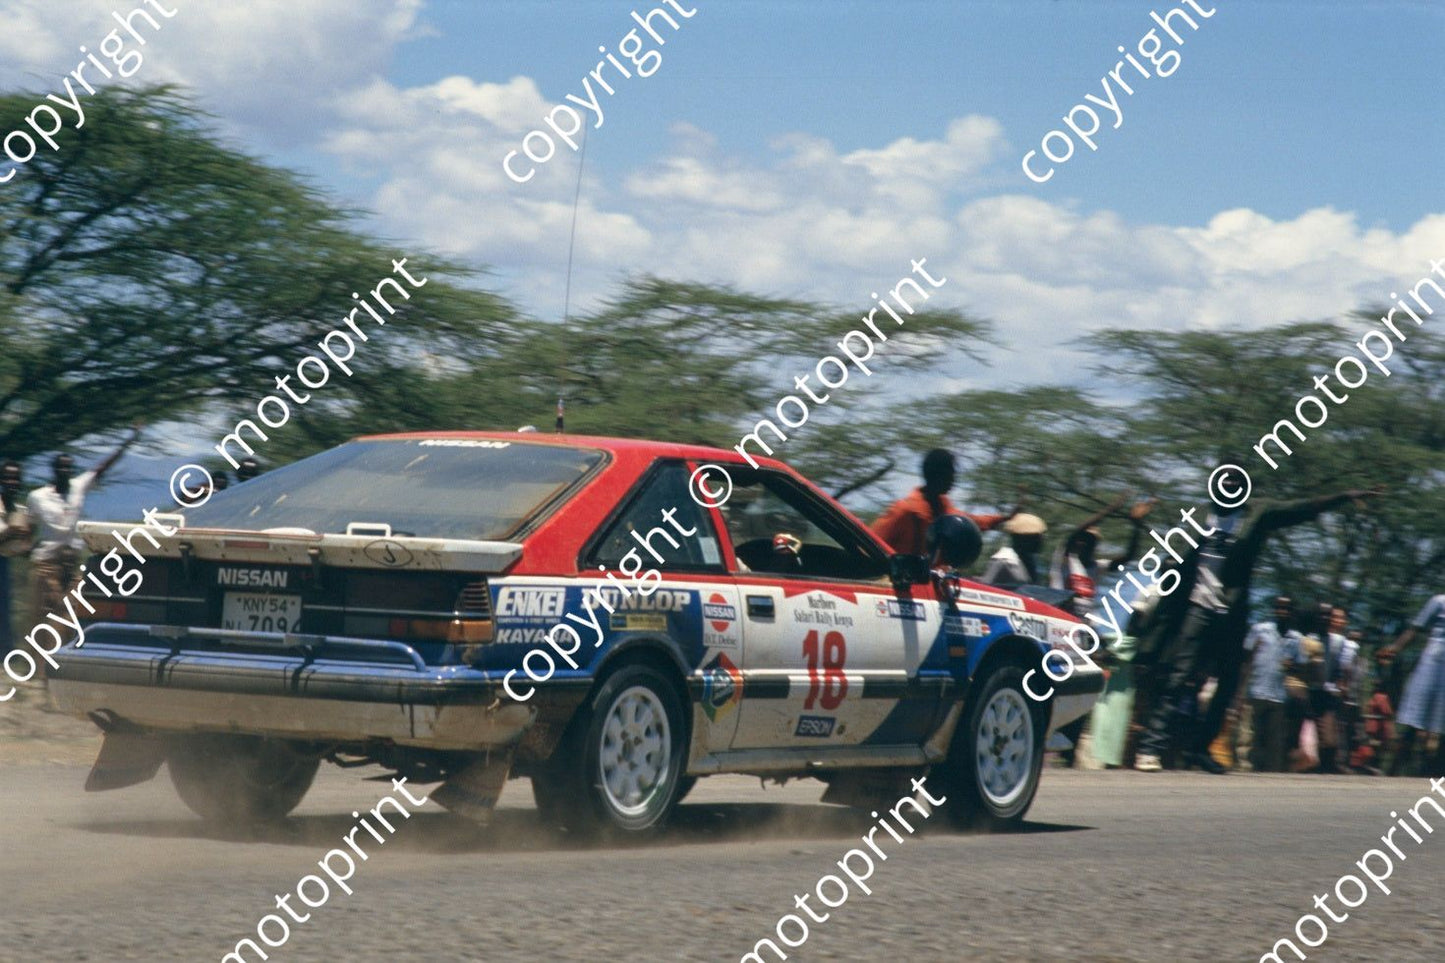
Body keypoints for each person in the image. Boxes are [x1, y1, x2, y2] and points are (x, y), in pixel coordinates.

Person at [1134, 477, 1381, 775]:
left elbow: (1300, 508)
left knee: (1227, 684)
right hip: (1197, 610)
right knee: (1178, 677)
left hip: (1231, 613)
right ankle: (1150, 748)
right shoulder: (1200, 515)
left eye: (1237, 482)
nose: (1230, 488)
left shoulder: (1257, 513)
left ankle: (1199, 749)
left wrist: (1344, 494)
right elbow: (1176, 557)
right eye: (1225, 481)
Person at [27, 431, 138, 630]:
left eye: (68, 467)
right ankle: (38, 659)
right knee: (44, 617)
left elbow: (101, 468)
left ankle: (62, 657)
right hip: (47, 565)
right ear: (53, 470)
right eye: (61, 467)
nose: (65, 470)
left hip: (71, 563)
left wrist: (127, 443)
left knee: (70, 614)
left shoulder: (77, 487)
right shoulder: (37, 497)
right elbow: (29, 528)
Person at [872, 449, 1021, 556]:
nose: (953, 479)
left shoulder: (944, 507)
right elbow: (871, 543)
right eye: (950, 474)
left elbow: (971, 522)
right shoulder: (904, 510)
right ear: (938, 475)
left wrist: (1004, 518)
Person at [1049, 494, 1155, 619]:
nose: (1085, 544)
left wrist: (1136, 525)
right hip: (1059, 617)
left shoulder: (1097, 567)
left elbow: (1129, 556)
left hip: (1085, 624)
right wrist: (1110, 509)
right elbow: (1075, 533)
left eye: (1091, 541)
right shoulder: (1064, 560)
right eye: (1083, 539)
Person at [1381, 593, 1445, 778]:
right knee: (1415, 719)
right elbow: (1414, 629)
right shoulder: (1439, 601)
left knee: (1439, 725)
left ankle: (1429, 775)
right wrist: (1394, 648)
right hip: (1432, 663)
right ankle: (1393, 770)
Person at [1241, 596, 1300, 773]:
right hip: (1256, 691)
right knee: (1250, 737)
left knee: (1274, 741)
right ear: (1274, 610)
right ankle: (1246, 772)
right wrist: (1241, 691)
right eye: (1280, 608)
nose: (1283, 612)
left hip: (1278, 696)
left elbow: (1300, 668)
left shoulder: (1295, 639)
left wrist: (1292, 667)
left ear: (1292, 612)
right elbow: (1246, 658)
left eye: (1287, 609)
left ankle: (1269, 776)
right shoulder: (1260, 630)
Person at [1, 460, 36, 653]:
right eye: (7, 478)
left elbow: (25, 548)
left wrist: (27, 541)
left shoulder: (21, 511)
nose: (11, 482)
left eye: (15, 478)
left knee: (5, 610)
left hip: (6, 564)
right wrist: (11, 531)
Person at [981, 513, 1048, 586]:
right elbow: (986, 586)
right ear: (1022, 539)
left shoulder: (1032, 562)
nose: (1041, 541)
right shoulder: (1003, 560)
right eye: (1036, 538)